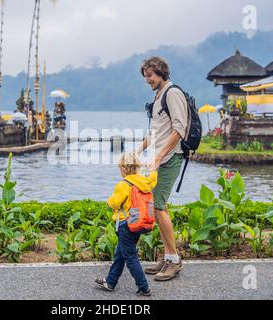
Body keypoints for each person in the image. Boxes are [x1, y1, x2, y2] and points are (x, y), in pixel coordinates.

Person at [136, 56, 187, 281]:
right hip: (161, 159)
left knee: (157, 206)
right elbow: (157, 131)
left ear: (161, 73)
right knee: (160, 206)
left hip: (170, 158)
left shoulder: (173, 93)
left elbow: (179, 129)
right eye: (145, 76)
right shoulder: (159, 96)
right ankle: (168, 257)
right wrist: (138, 150)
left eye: (150, 75)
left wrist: (159, 155)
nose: (147, 80)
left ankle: (174, 260)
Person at [95, 153, 157, 296]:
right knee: (120, 255)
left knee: (130, 257)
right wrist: (153, 170)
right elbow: (153, 180)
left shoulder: (123, 185)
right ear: (137, 167)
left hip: (125, 225)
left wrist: (109, 200)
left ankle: (144, 287)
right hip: (137, 224)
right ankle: (110, 282)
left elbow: (114, 203)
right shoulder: (145, 182)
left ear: (123, 168)